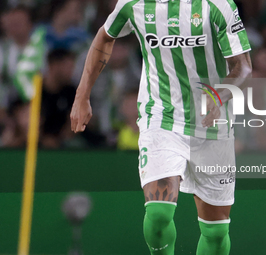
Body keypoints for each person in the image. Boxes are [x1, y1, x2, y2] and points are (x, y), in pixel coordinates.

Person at [70, 0, 252, 254]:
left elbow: (242, 66)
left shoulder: (217, 5)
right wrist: (82, 95)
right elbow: (105, 36)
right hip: (161, 117)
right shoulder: (134, 4)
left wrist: (219, 95)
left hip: (212, 125)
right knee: (158, 214)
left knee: (216, 232)